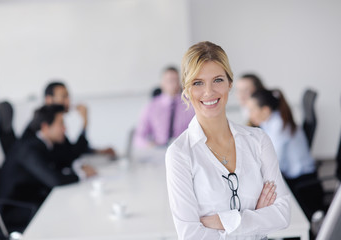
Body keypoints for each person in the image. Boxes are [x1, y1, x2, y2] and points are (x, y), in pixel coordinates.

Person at [165, 41, 290, 239]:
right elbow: (190, 235)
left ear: (230, 83)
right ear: (187, 90)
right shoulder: (180, 153)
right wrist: (254, 219)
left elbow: (282, 214)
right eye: (198, 83)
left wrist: (224, 221)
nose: (209, 92)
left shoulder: (258, 140)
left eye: (218, 80)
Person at [0, 105, 96, 226]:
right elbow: (54, 180)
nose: (65, 129)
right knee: (70, 215)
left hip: (33, 200)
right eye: (61, 124)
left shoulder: (46, 144)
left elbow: (66, 158)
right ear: (45, 127)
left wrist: (78, 169)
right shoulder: (29, 149)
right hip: (17, 209)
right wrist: (82, 174)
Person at [247, 89, 324, 219]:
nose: (249, 115)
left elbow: (274, 163)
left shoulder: (279, 126)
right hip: (295, 180)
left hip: (304, 187)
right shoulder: (270, 120)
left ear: (265, 110)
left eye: (252, 110)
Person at [22, 81, 116, 171]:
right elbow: (70, 155)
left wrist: (98, 152)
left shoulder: (55, 122)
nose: (68, 101)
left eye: (68, 96)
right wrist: (84, 122)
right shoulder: (40, 127)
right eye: (64, 97)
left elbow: (69, 150)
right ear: (49, 100)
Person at [133, 66, 195, 148]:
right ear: (162, 83)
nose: (173, 84)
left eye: (176, 80)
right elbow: (139, 137)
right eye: (169, 81)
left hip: (183, 149)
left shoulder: (190, 105)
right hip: (158, 151)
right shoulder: (151, 106)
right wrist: (150, 145)